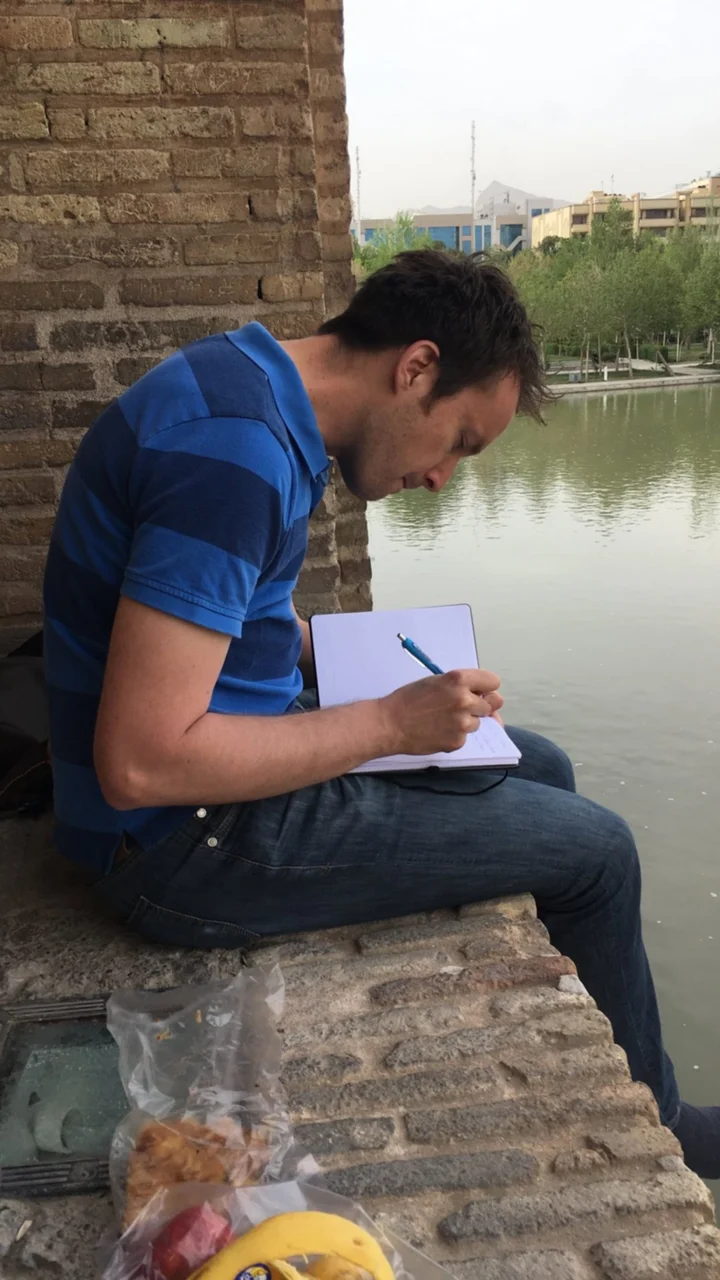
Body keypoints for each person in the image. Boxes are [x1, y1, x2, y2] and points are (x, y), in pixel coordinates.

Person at [44, 250, 719, 1178]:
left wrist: (356, 662)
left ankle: (624, 1059)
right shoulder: (233, 455)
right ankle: (661, 1120)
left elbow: (240, 617)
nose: (444, 477)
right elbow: (142, 763)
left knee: (538, 764)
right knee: (599, 854)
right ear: (417, 368)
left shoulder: (246, 385)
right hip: (175, 847)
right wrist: (391, 724)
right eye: (460, 441)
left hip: (209, 782)